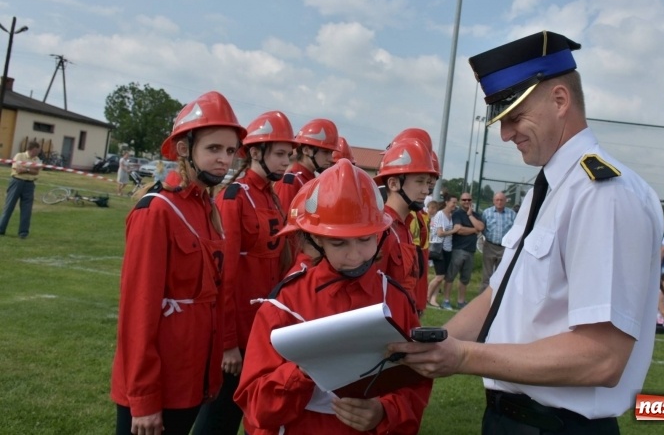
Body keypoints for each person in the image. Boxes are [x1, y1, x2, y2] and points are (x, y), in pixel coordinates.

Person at [389, 30, 664, 434]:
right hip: (513, 420)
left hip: (557, 426)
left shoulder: (602, 194)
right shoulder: (549, 188)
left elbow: (602, 357)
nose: (505, 133)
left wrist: (463, 356)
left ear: (560, 100)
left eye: (515, 116)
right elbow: (496, 297)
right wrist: (425, 347)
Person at [233, 159, 432, 434]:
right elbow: (256, 406)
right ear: (317, 240)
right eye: (339, 243)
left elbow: (417, 382)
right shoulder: (285, 304)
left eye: (366, 239)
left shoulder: (395, 299)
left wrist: (385, 411)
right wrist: (302, 371)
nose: (355, 255)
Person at [111, 91, 247, 435]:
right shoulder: (157, 211)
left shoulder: (207, 209)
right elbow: (138, 312)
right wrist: (144, 399)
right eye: (214, 148)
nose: (224, 160)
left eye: (230, 151)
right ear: (185, 149)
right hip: (160, 387)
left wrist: (210, 376)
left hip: (191, 381)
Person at [193, 111, 297, 435]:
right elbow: (225, 276)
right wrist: (228, 344)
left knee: (250, 414)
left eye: (289, 155)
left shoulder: (272, 198)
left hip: (263, 332)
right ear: (255, 152)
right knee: (218, 421)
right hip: (238, 335)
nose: (286, 162)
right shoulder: (235, 197)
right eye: (280, 154)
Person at [373, 138, 437, 310]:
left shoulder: (404, 227)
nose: (426, 190)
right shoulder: (381, 231)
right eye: (419, 181)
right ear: (393, 184)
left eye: (428, 183)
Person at [273, 118, 339, 214]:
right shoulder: (290, 181)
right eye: (325, 152)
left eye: (331, 153)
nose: (330, 158)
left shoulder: (313, 181)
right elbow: (283, 220)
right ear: (306, 150)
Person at [441, 192, 484, 311]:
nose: (466, 202)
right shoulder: (457, 214)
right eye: (464, 200)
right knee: (450, 276)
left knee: (465, 279)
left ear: (471, 200)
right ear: (460, 201)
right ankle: (446, 301)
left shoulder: (476, 214)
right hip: (458, 249)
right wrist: (474, 230)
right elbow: (459, 230)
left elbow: (480, 227)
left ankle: (461, 301)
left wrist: (470, 216)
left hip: (471, 250)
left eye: (468, 199)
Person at [0, 141, 42, 239]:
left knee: (27, 210)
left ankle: (23, 233)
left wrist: (26, 168)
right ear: (31, 149)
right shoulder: (19, 156)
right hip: (17, 182)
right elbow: (18, 170)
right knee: (9, 206)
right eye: (36, 150)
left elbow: (36, 172)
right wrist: (31, 168)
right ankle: (1, 229)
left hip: (29, 184)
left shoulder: (37, 159)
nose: (38, 152)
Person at [426, 196, 460, 308]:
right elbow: (440, 233)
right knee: (440, 276)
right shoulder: (440, 215)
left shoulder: (451, 216)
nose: (454, 205)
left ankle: (433, 299)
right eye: (453, 202)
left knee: (441, 276)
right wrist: (454, 231)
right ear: (447, 202)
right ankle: (426, 296)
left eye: (456, 203)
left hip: (448, 249)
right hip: (439, 248)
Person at [479, 191, 516, 294]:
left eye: (501, 200)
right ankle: (483, 296)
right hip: (490, 246)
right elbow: (482, 227)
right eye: (497, 200)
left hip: (505, 248)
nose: (499, 202)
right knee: (487, 274)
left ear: (505, 201)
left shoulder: (512, 214)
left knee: (501, 274)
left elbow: (515, 230)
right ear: (493, 201)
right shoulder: (486, 213)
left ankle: (497, 296)